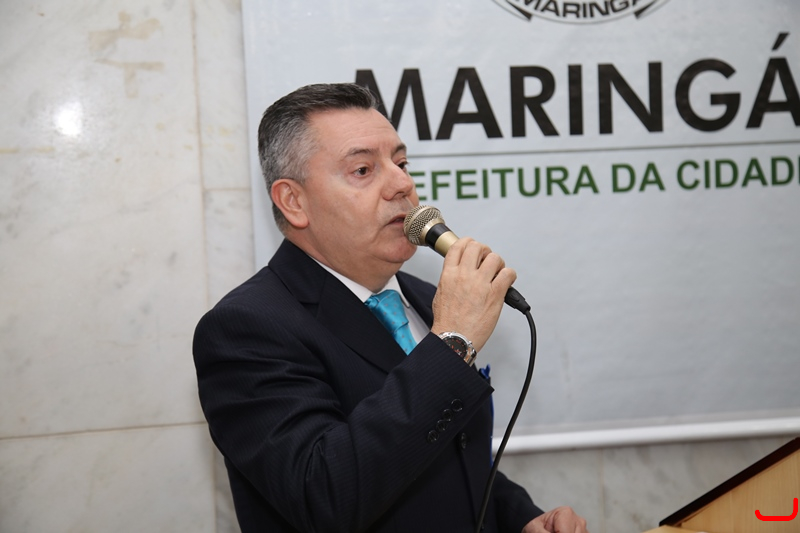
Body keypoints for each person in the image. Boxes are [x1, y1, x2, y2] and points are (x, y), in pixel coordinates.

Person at [193, 83, 588, 533]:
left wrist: (519, 517)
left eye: (401, 164)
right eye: (363, 169)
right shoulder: (246, 329)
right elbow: (325, 496)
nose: (403, 184)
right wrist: (453, 341)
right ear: (294, 202)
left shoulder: (426, 299)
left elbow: (450, 455)